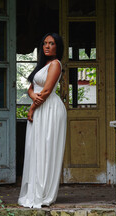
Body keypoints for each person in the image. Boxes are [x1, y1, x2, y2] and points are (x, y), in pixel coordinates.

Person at [18, 33, 67, 208]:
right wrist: (32, 97)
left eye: (51, 43)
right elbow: (32, 88)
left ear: (57, 47)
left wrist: (31, 108)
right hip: (40, 108)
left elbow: (46, 92)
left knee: (46, 147)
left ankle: (44, 192)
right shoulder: (42, 65)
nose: (47, 46)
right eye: (45, 43)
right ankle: (35, 188)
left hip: (50, 109)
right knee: (36, 148)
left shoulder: (55, 64)